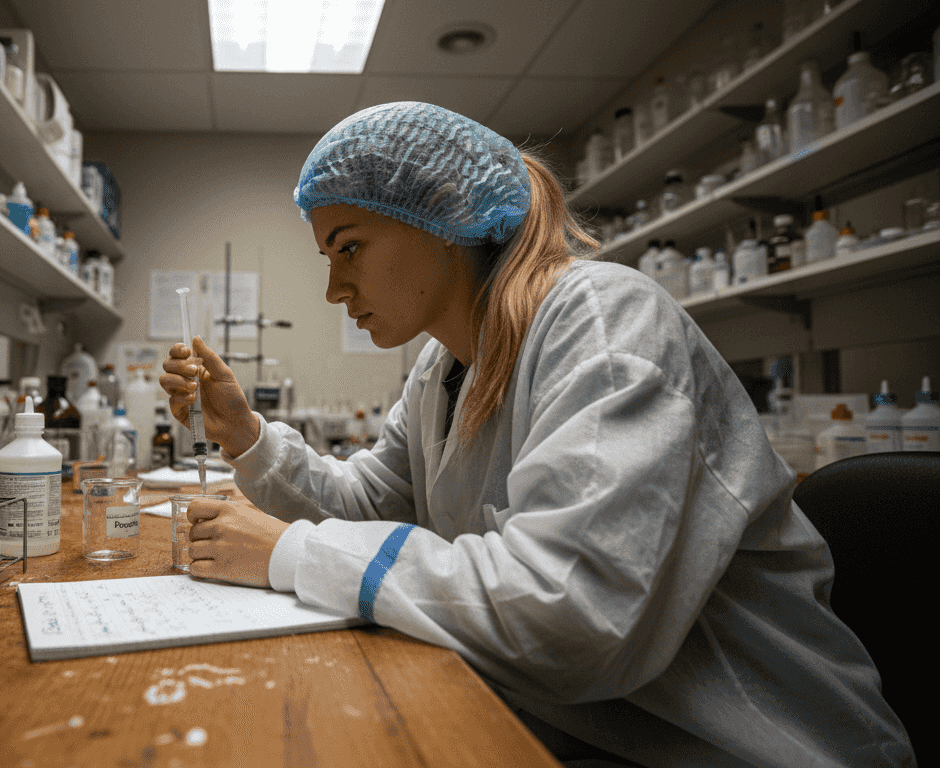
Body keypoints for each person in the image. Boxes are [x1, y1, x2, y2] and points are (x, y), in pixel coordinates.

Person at [159, 102, 913, 767]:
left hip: (747, 745)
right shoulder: (442, 370)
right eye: (327, 258)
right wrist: (245, 434)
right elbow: (368, 504)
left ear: (441, 217)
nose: (334, 289)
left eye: (349, 246)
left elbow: (571, 611)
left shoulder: (604, 320)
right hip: (588, 727)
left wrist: (290, 554)